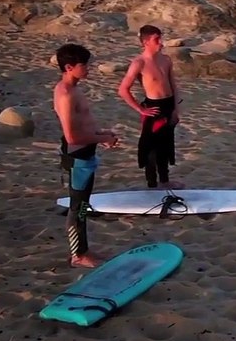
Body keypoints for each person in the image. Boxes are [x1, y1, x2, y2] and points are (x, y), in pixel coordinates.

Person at [53, 43, 119, 268]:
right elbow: (72, 137)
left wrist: (102, 133)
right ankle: (78, 255)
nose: (88, 68)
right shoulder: (65, 95)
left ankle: (83, 249)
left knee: (83, 205)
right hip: (77, 157)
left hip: (85, 153)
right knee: (78, 207)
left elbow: (82, 124)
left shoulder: (74, 88)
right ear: (69, 67)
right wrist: (103, 140)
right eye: (84, 65)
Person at [117, 24, 184, 190]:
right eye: (156, 39)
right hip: (153, 107)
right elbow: (123, 89)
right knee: (150, 147)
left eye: (161, 38)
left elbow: (173, 85)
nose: (161, 42)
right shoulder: (139, 63)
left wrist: (176, 109)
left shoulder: (166, 60)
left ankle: (165, 180)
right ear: (146, 42)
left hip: (168, 105)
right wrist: (140, 109)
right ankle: (152, 183)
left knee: (166, 145)